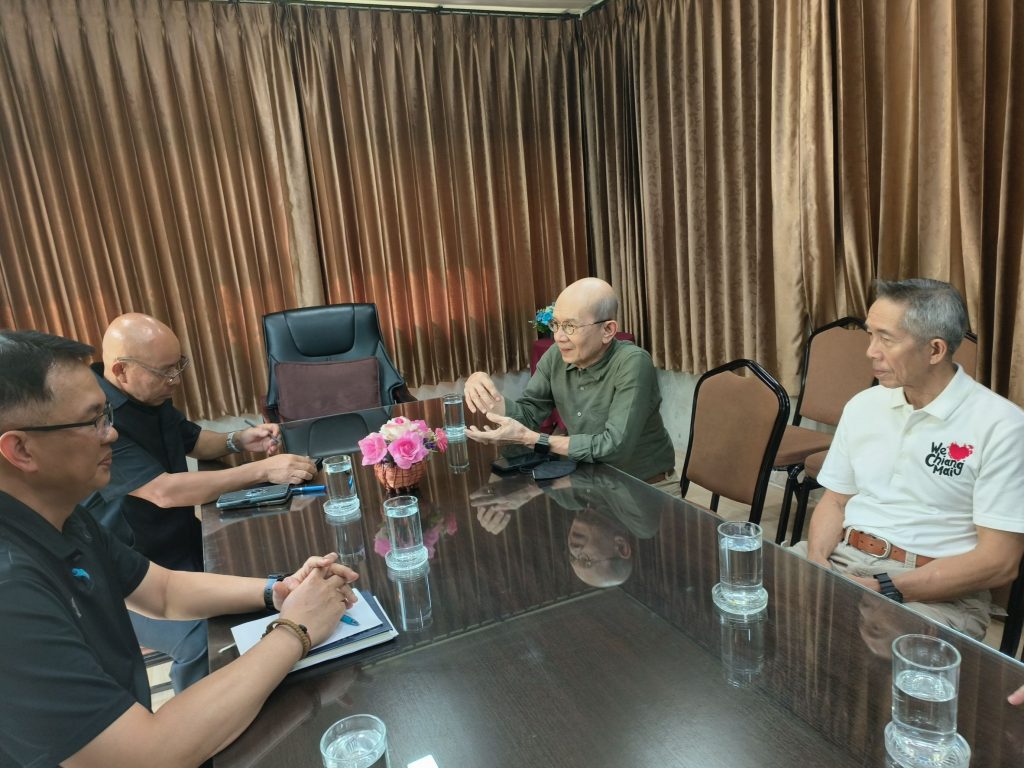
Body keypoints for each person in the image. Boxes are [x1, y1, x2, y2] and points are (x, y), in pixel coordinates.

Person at [0, 330, 357, 768]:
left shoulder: (62, 515)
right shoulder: (9, 589)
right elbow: (146, 756)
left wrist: (278, 590)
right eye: (92, 421)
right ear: (21, 449)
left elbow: (163, 591)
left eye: (106, 414)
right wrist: (295, 630)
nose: (111, 433)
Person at [82, 313, 317, 692]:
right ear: (122, 370)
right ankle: (199, 724)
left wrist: (239, 440)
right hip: (127, 578)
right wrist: (263, 470)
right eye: (165, 372)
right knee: (201, 639)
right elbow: (164, 491)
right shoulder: (99, 419)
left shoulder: (148, 393)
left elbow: (191, 438)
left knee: (271, 581)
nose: (175, 380)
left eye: (178, 367)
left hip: (183, 547)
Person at [792, 278, 1024, 640]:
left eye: (886, 339)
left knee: (878, 651)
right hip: (843, 556)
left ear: (935, 350)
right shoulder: (864, 406)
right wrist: (818, 561)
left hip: (934, 588)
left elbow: (1000, 562)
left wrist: (886, 587)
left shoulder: (1002, 426)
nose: (870, 351)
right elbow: (835, 500)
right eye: (870, 335)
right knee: (754, 595)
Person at [463, 277, 676, 489]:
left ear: (607, 330)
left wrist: (533, 439)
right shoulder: (555, 356)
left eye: (570, 326)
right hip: (590, 482)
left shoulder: (633, 362)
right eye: (555, 324)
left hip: (644, 486)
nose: (559, 337)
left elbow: (614, 446)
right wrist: (486, 394)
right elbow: (528, 415)